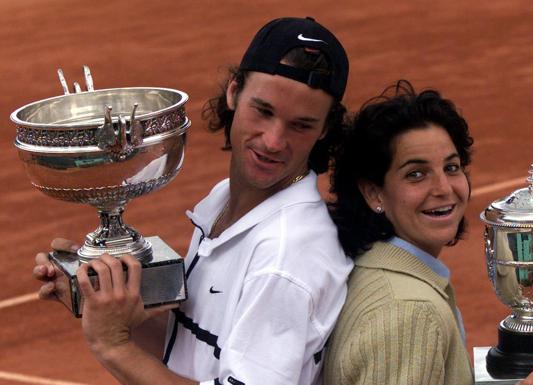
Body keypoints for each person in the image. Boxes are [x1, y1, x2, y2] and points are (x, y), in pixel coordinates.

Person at [33, 16, 353, 385]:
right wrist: (100, 301)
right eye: (263, 111)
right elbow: (191, 350)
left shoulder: (285, 258)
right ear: (234, 92)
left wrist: (114, 347)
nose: (273, 142)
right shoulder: (226, 199)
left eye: (301, 125)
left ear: (325, 128)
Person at [322, 80, 533, 385]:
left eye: (452, 168)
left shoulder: (371, 268)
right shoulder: (411, 312)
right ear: (374, 193)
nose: (444, 189)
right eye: (416, 174)